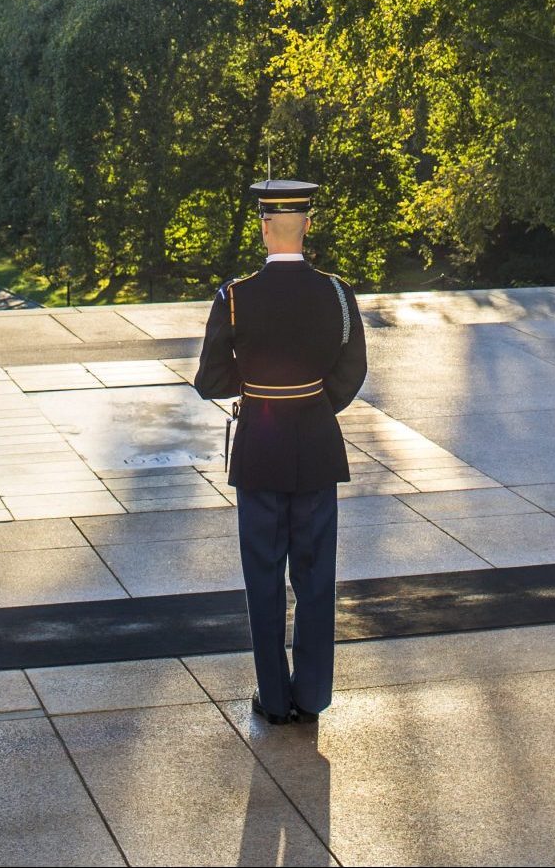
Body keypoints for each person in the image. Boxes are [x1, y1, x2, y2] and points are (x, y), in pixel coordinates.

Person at [193, 180, 367, 725]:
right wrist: (312, 404)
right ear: (307, 226)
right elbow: (353, 369)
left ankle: (273, 698)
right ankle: (311, 696)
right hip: (316, 446)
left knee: (263, 578)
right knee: (315, 579)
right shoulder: (337, 293)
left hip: (259, 450)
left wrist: (258, 387)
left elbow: (209, 380)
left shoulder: (235, 296)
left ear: (264, 227)